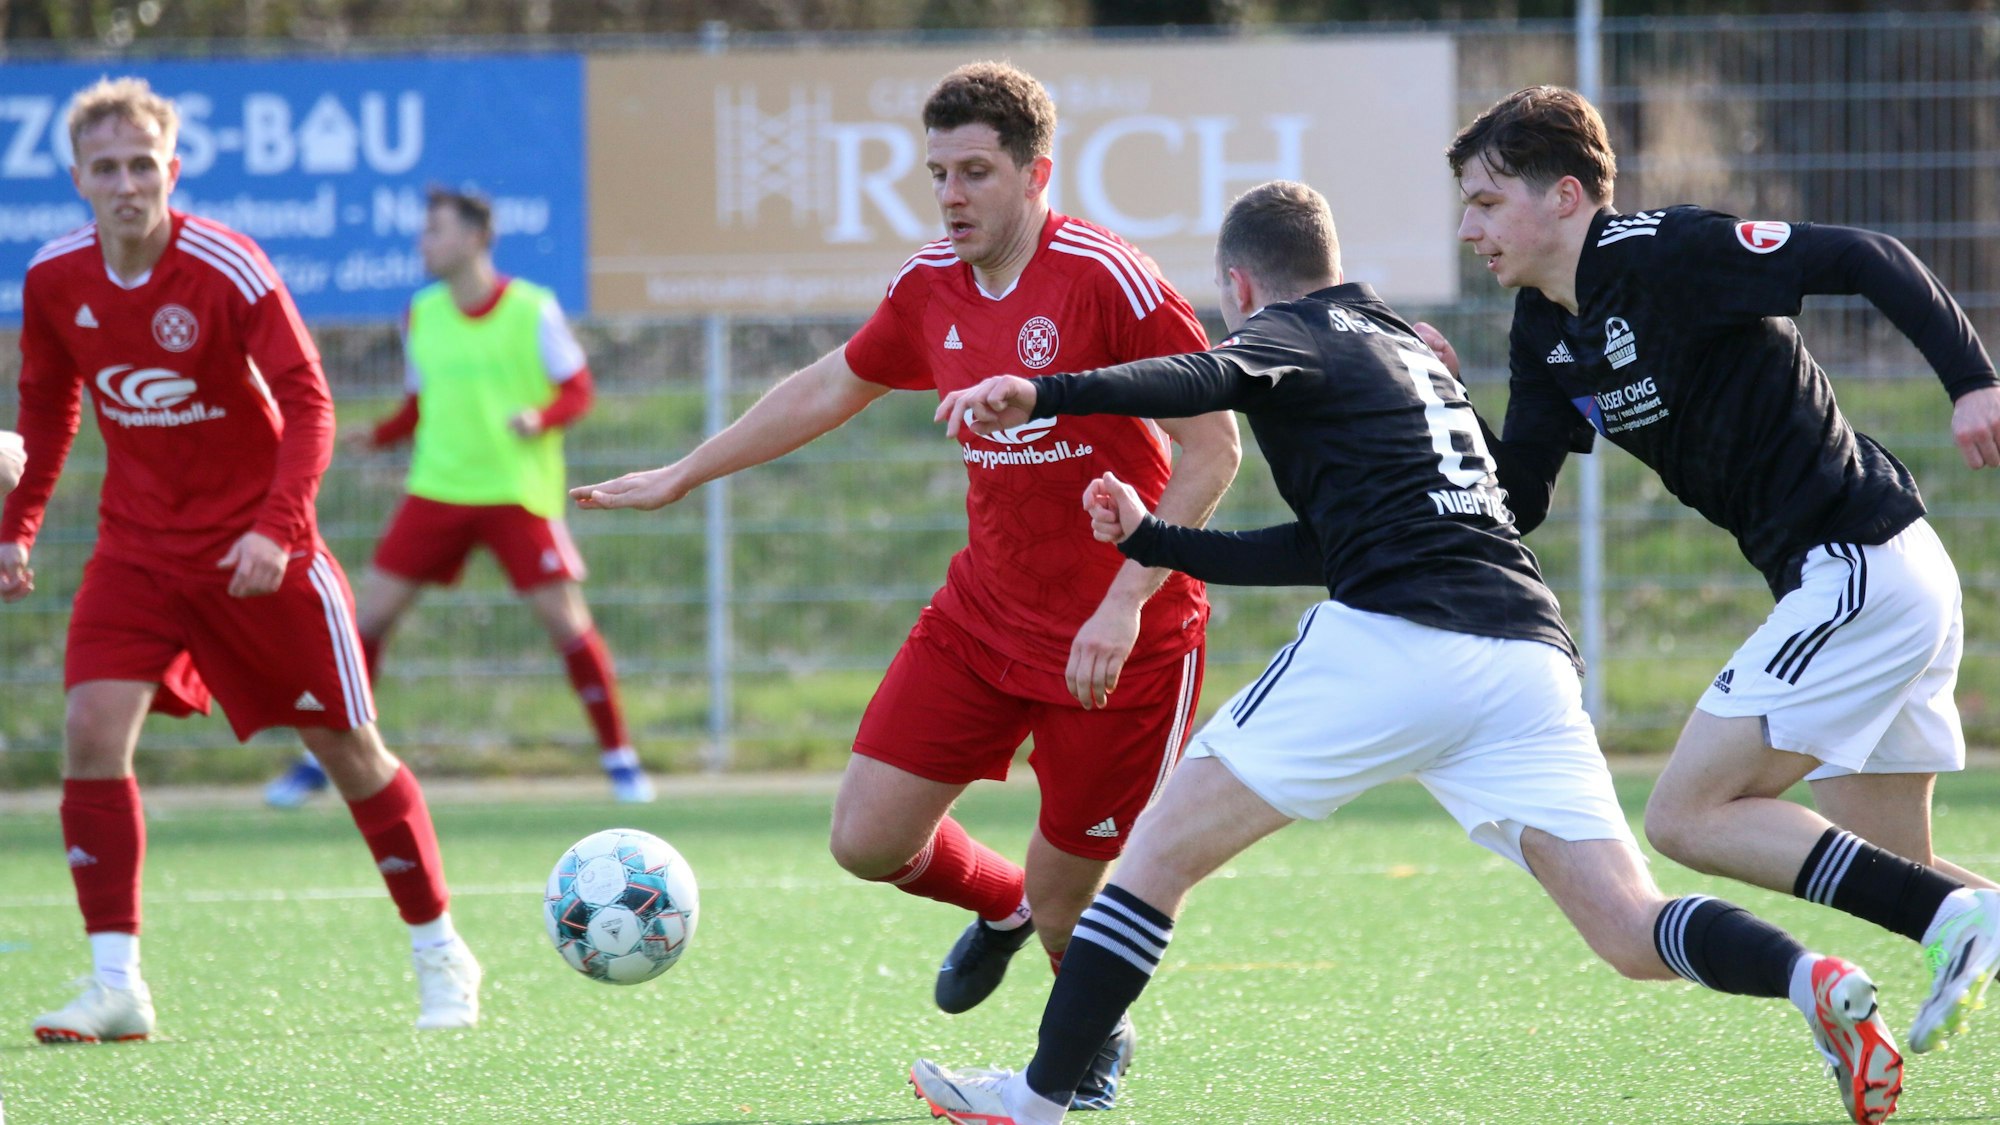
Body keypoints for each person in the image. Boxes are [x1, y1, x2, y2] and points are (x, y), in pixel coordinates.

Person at [909, 180, 1904, 1125]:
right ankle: (1808, 977)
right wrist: (1154, 541)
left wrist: (1045, 392)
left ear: (1239, 286)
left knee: (1156, 856)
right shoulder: (1405, 349)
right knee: (1627, 926)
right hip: (1525, 660)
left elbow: (1205, 376)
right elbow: (1326, 546)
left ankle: (1035, 1101)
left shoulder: (1290, 331)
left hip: (1396, 639)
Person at [572, 60, 1239, 1108]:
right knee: (867, 840)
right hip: (986, 614)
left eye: (975, 172)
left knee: (1073, 902)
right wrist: (683, 472)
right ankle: (1002, 905)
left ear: (1036, 174)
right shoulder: (930, 283)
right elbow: (832, 383)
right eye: (937, 174)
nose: (950, 196)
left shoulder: (1108, 279)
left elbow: (1214, 448)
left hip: (1124, 643)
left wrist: (1124, 602)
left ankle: (1087, 1034)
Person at [1422, 84, 2000, 1059]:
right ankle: (1968, 916)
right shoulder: (1541, 327)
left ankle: (1960, 922)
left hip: (1858, 568)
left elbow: (1865, 255)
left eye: (1484, 202)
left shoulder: (1670, 252)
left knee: (1685, 815)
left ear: (1563, 195)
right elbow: (1518, 497)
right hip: (1874, 579)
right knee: (1899, 870)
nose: (1467, 228)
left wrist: (1972, 380)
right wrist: (1445, 398)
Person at [1, 77, 480, 1043]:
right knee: (90, 730)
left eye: (144, 165)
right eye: (107, 168)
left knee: (346, 750)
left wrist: (276, 526)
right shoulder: (55, 279)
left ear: (172, 170)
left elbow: (310, 403)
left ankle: (440, 949)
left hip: (260, 549)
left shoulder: (227, 265)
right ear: (78, 180)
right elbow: (49, 407)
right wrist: (19, 525)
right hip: (137, 549)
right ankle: (116, 983)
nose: (127, 184)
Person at [262, 187, 651, 808]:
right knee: (364, 622)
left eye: (436, 230)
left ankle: (621, 762)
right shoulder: (422, 313)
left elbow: (578, 391)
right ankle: (321, 761)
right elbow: (420, 404)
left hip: (515, 493)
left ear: (474, 238)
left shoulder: (531, 308)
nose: (424, 242)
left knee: (567, 625)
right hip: (437, 491)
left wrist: (540, 417)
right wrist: (382, 434)